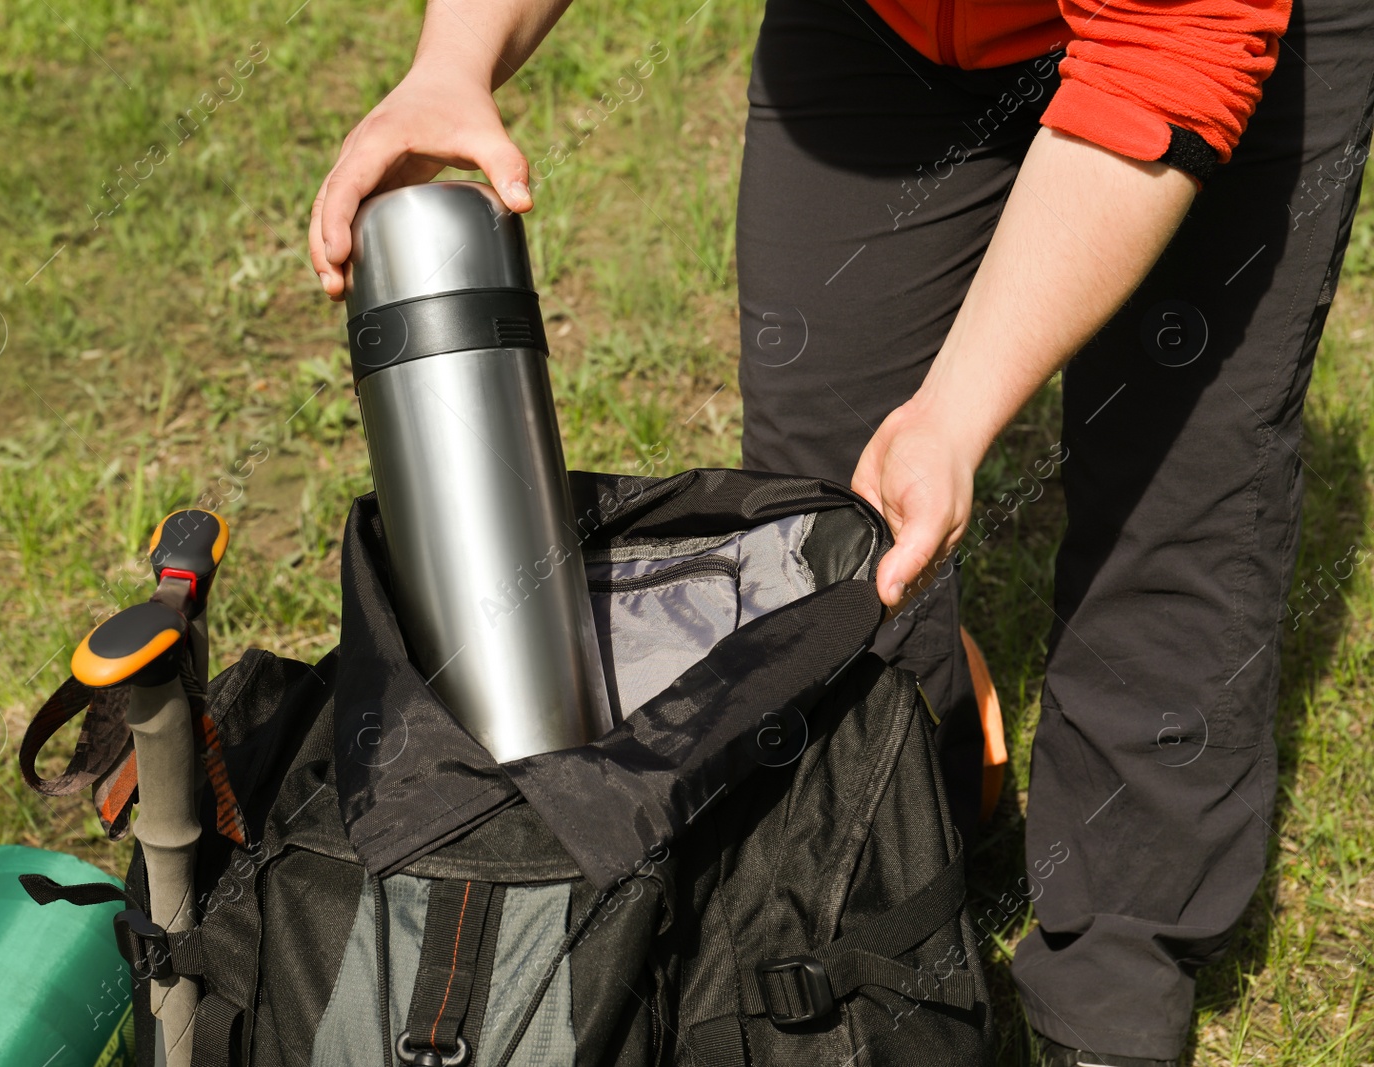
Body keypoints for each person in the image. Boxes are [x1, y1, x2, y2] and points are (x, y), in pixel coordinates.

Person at [307, 0, 1374, 1061]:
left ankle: (1115, 971)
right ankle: (913, 824)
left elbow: (1162, 52)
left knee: (1173, 487)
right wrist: (453, 61)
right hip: (889, 27)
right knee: (829, 522)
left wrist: (961, 408)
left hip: (1197, 33)